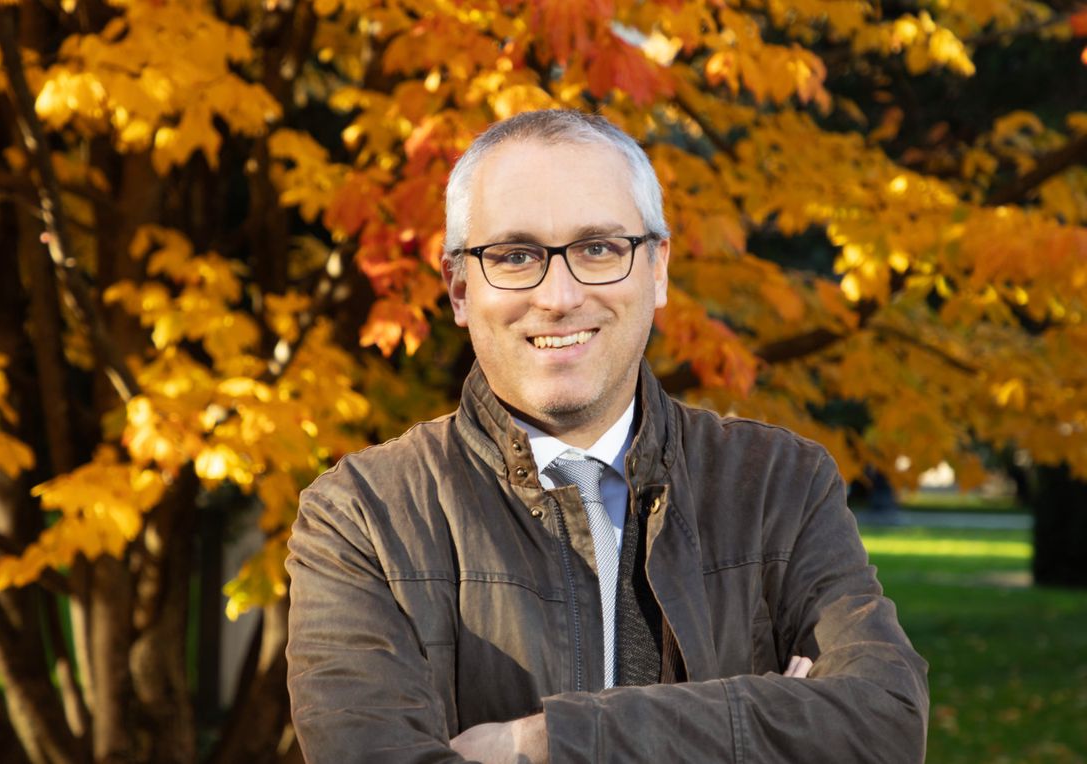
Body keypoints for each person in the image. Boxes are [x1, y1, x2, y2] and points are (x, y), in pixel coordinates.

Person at [285, 109, 928, 762]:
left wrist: (539, 741)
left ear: (657, 269)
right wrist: (760, 718)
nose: (559, 295)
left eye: (599, 249)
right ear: (458, 286)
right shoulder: (360, 517)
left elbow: (883, 724)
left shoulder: (778, 484)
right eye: (514, 255)